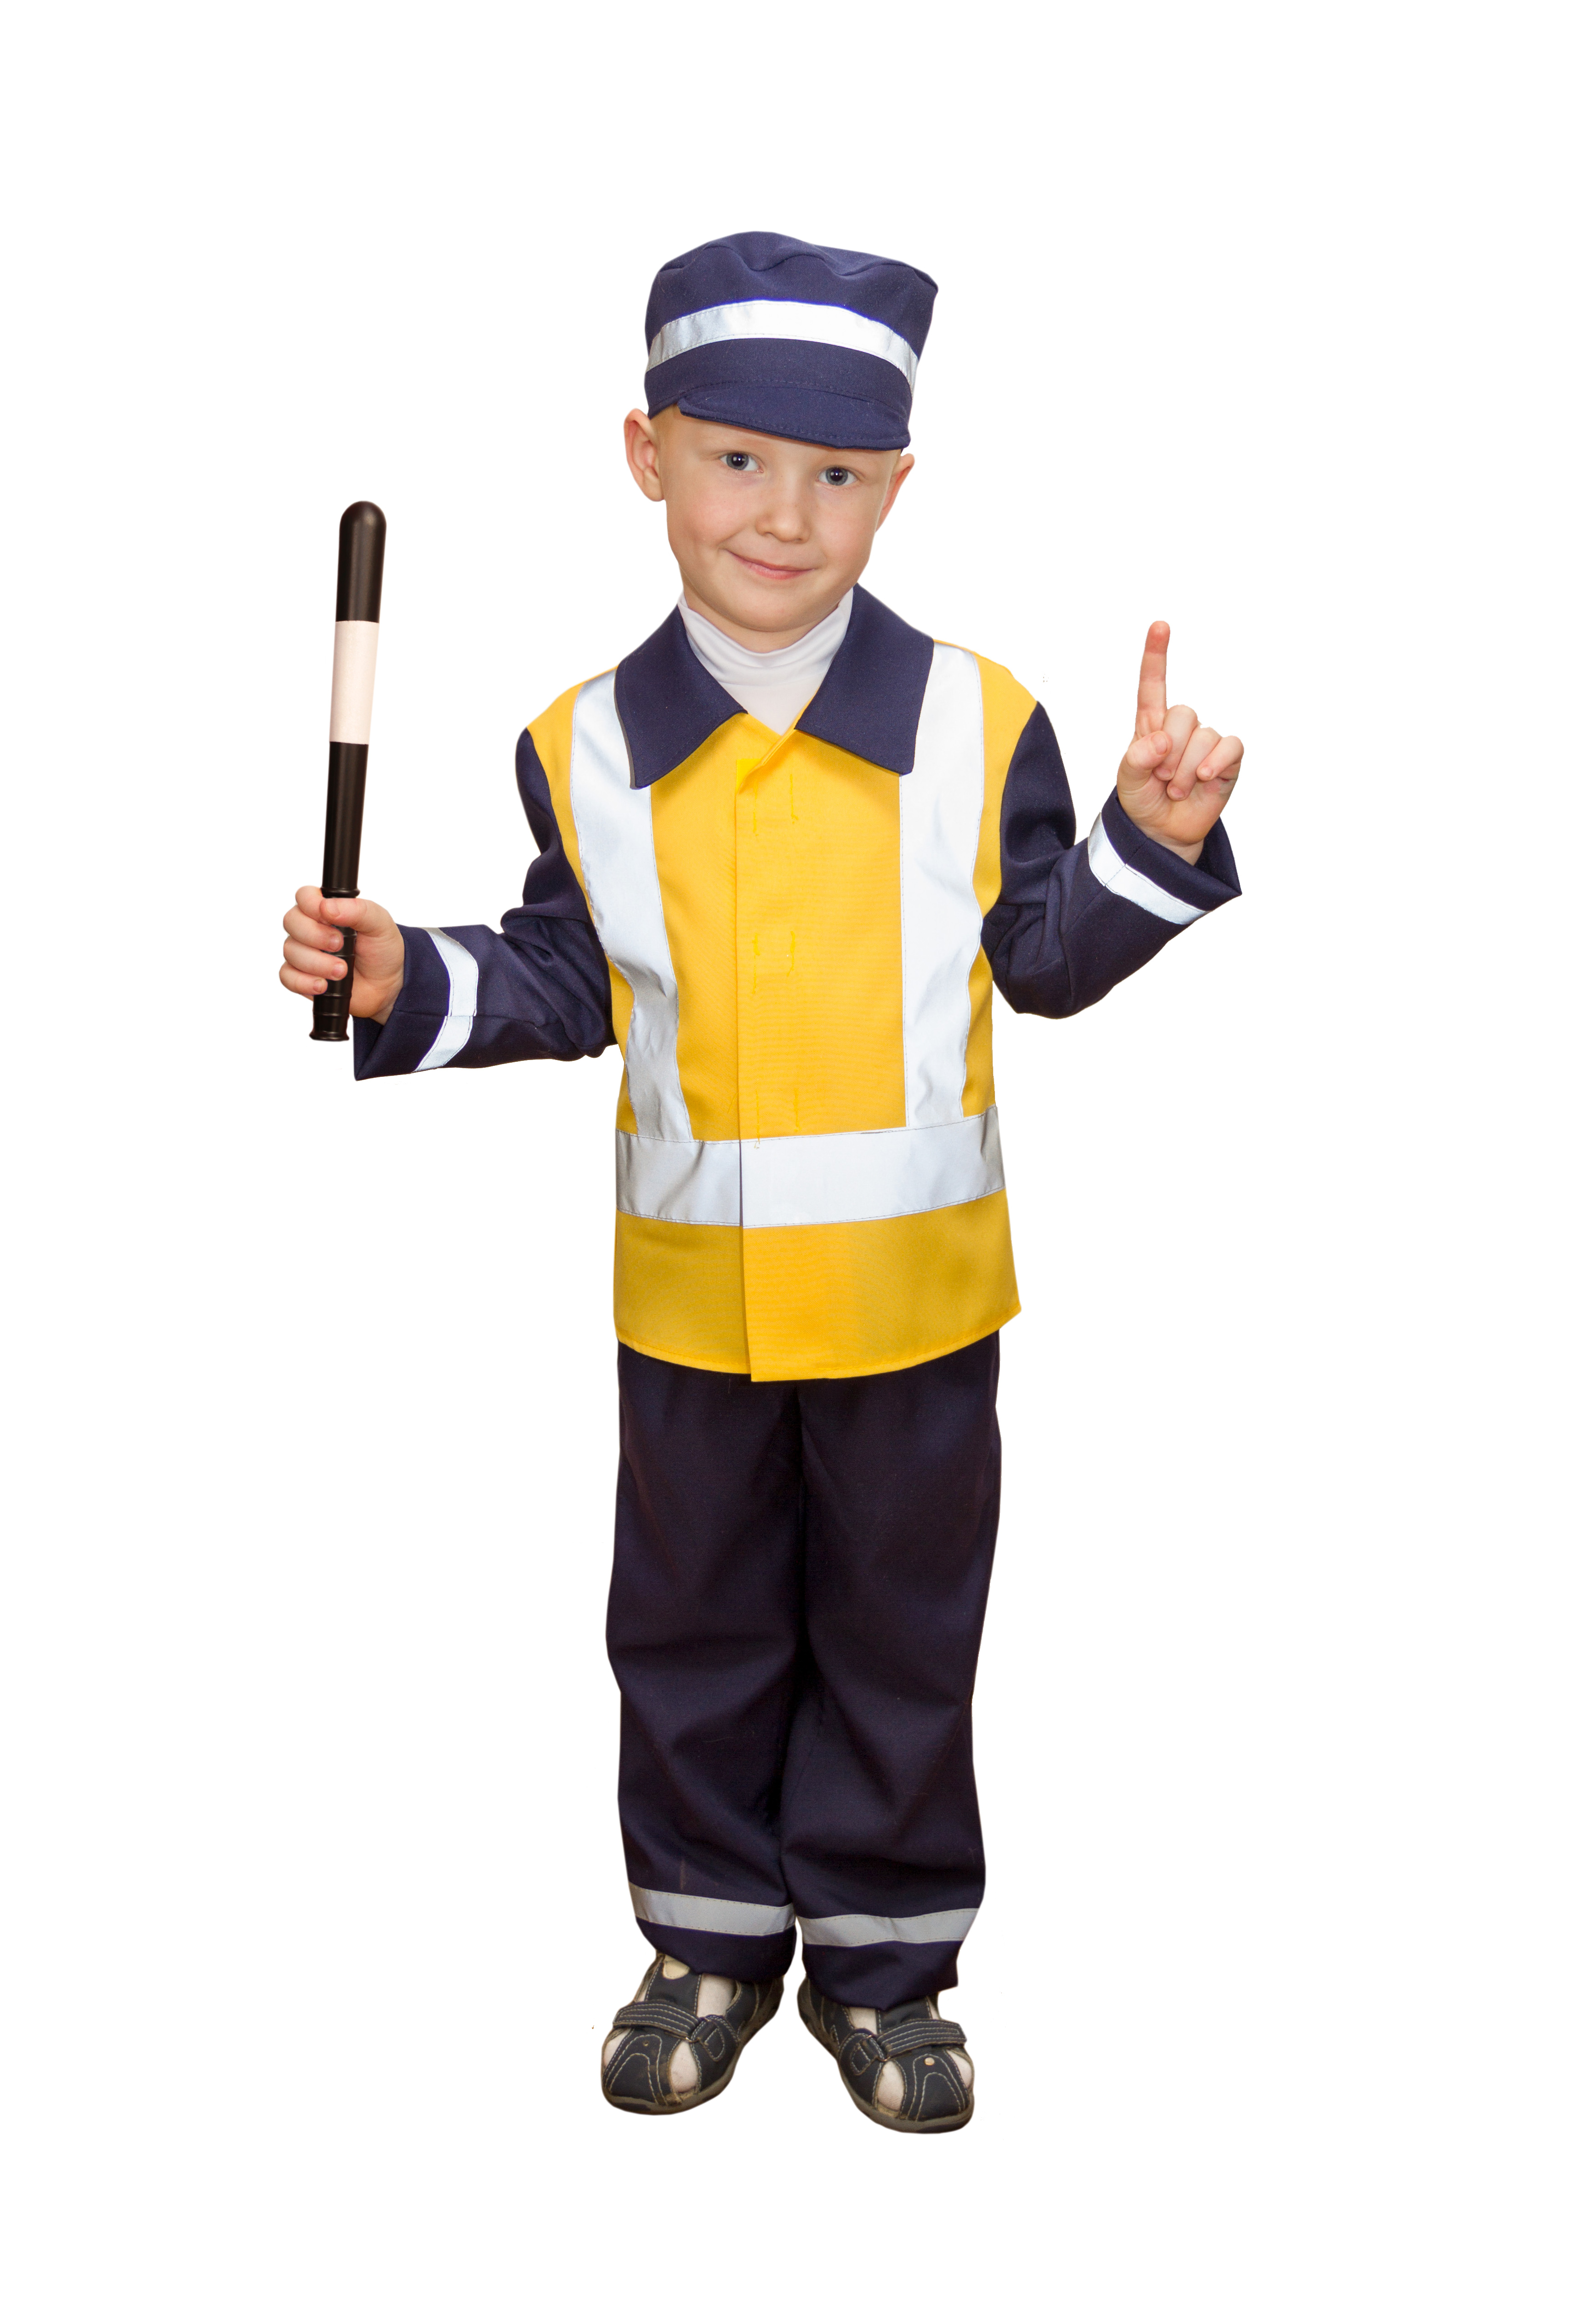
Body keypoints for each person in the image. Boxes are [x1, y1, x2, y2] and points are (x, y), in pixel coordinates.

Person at [278, 232, 1243, 2134]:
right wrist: (406, 975)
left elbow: (1045, 962)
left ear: (899, 488)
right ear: (648, 456)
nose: (785, 516)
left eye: (838, 475)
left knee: (901, 1636)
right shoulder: (582, 746)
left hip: (912, 1310)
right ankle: (707, 1939)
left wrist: (1144, 841)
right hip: (689, 1312)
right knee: (693, 1631)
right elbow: (571, 978)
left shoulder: (979, 721)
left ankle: (887, 1966)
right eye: (736, 460)